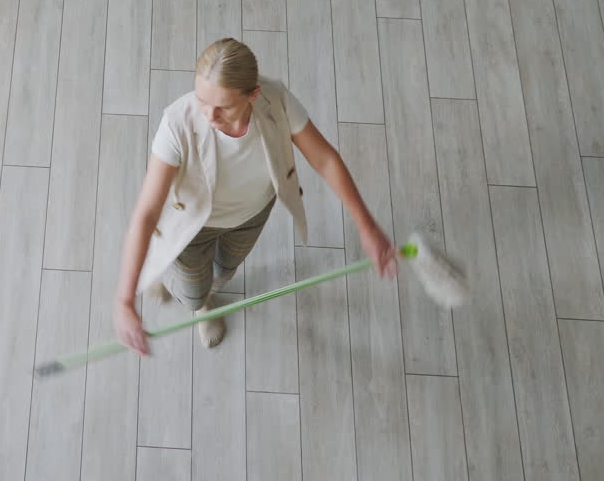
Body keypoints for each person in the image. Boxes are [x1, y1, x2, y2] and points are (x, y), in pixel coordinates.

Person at [114, 37, 397, 354]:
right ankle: (196, 301)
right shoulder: (176, 124)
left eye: (223, 107)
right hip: (192, 226)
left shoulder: (276, 100)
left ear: (253, 95)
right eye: (202, 101)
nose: (209, 116)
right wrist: (125, 300)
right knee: (192, 291)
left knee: (225, 271)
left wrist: (367, 226)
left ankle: (189, 285)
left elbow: (325, 160)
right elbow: (146, 214)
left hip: (251, 215)